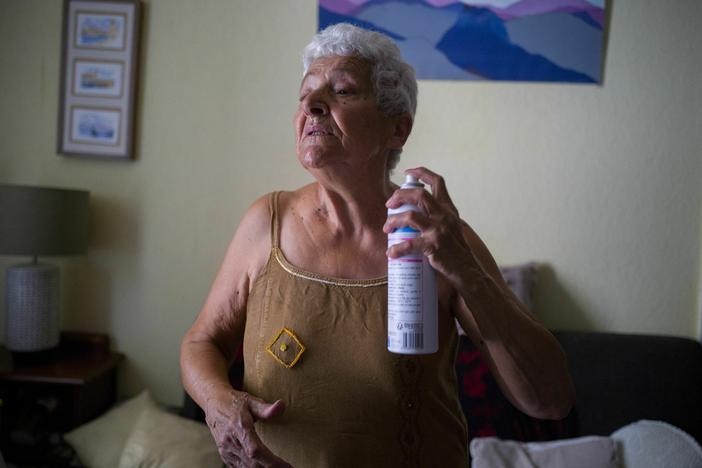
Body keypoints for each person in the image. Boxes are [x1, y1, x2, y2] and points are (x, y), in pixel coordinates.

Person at [180, 23, 575, 468]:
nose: (311, 105)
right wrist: (218, 404)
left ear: (397, 129)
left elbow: (550, 401)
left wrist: (467, 271)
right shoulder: (265, 222)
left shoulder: (438, 236)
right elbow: (201, 343)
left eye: (343, 91)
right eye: (306, 93)